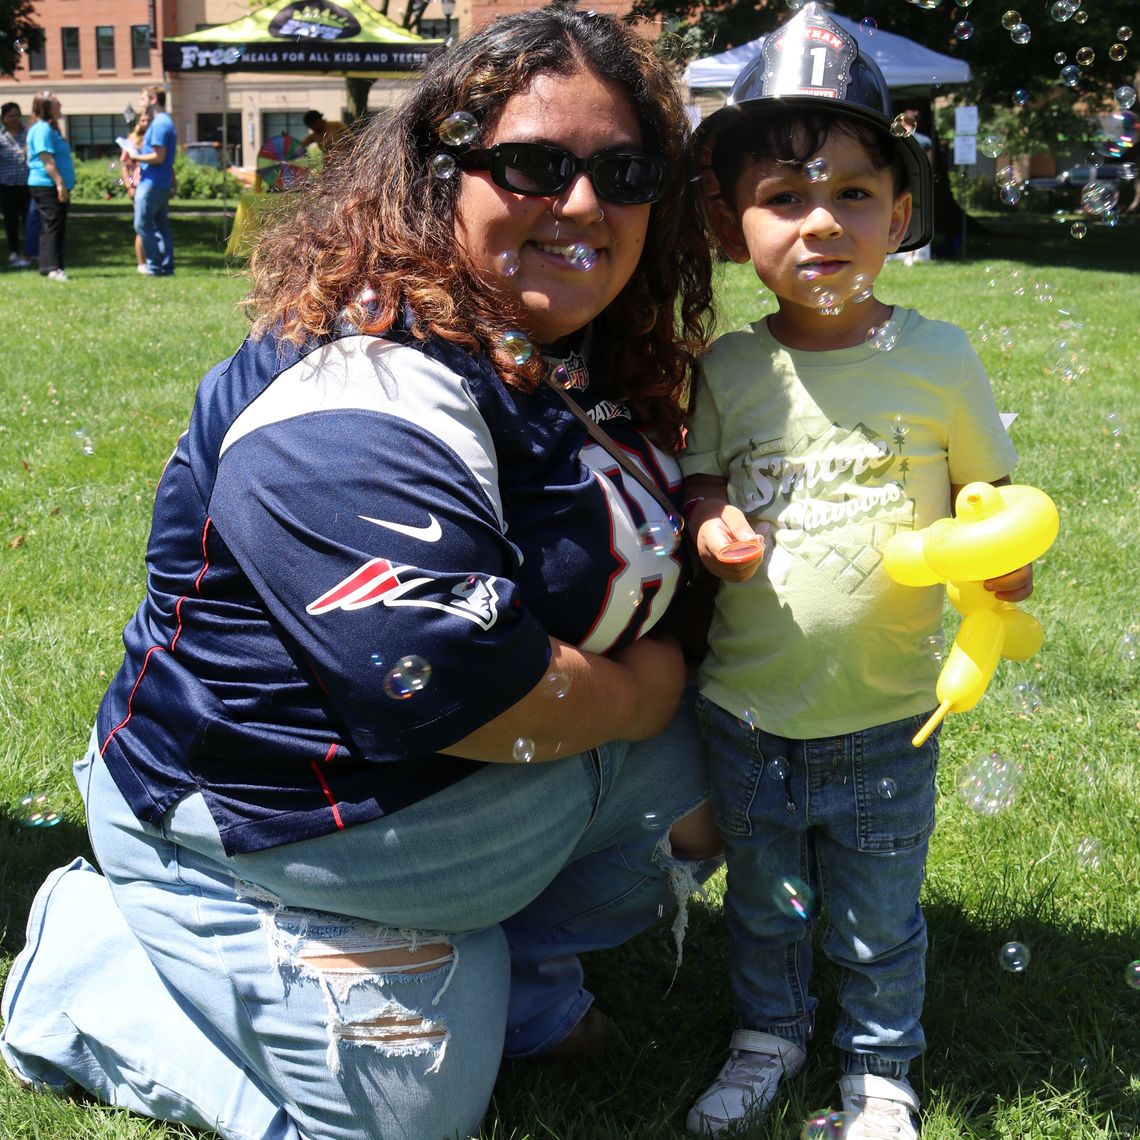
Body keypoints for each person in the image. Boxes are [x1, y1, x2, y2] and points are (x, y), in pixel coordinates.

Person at [0, 8, 723, 1139]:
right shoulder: (354, 390)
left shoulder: (566, 355)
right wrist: (647, 692)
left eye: (625, 170)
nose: (584, 205)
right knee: (410, 1120)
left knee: (731, 753)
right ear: (442, 178)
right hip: (261, 831)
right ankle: (90, 977)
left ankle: (508, 972)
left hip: (454, 807)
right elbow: (446, 683)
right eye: (535, 165)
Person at [679, 6, 1034, 1139]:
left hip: (887, 720)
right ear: (737, 228)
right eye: (784, 198)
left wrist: (1001, 567)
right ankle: (768, 1037)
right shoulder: (731, 368)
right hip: (746, 711)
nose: (820, 223)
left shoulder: (939, 359)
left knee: (878, 917)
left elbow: (995, 497)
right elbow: (695, 481)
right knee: (768, 908)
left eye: (853, 195)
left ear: (903, 214)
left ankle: (880, 1072)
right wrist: (710, 521)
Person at [25, 92, 74, 282]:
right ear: (47, 107)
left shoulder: (50, 128)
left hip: (51, 184)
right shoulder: (42, 129)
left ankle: (49, 266)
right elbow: (47, 158)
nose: (60, 103)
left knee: (52, 225)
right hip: (47, 184)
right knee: (53, 225)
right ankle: (54, 268)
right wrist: (59, 183)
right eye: (55, 101)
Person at [132, 85, 176, 275]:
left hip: (152, 182)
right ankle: (166, 267)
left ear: (153, 100)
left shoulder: (159, 124)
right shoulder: (165, 121)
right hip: (160, 182)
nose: (140, 103)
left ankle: (154, 265)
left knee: (141, 224)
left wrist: (136, 157)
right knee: (160, 224)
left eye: (142, 99)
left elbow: (158, 156)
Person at [0, 101, 32, 268]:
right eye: (10, 116)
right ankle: (13, 251)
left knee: (29, 219)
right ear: (4, 118)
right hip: (7, 186)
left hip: (27, 186)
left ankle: (29, 251)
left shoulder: (28, 134)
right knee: (10, 220)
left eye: (17, 115)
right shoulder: (1, 137)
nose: (14, 119)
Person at [119, 110, 150, 273]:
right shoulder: (132, 140)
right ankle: (141, 262)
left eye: (148, 120)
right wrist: (129, 186)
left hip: (154, 185)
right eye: (143, 120)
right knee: (142, 225)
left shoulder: (154, 139)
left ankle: (152, 260)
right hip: (138, 187)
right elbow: (124, 166)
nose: (145, 123)